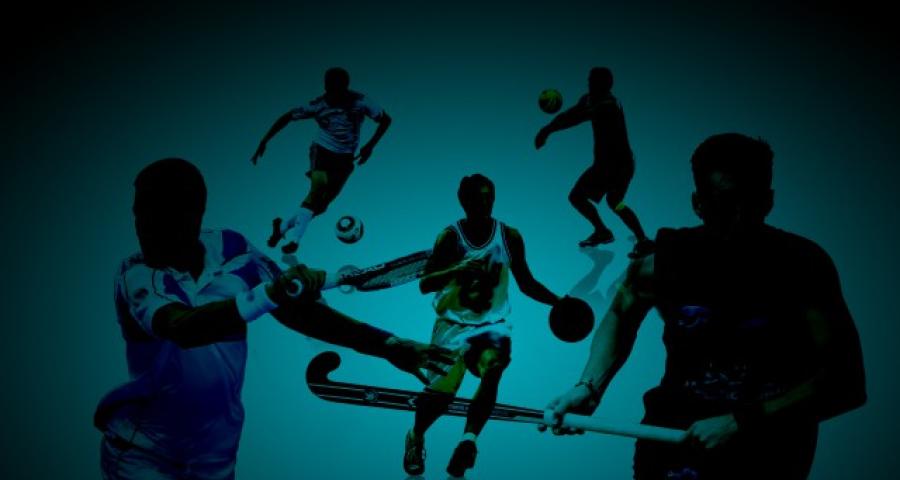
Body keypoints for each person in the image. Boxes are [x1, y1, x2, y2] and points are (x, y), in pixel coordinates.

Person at [95, 158, 451, 480]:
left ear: (194, 213)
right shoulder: (136, 274)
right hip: (144, 452)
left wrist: (387, 344)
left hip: (215, 456)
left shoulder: (233, 250)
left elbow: (301, 313)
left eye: (157, 213)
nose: (142, 225)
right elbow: (183, 328)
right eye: (138, 211)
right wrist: (269, 293)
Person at [544, 134, 867, 479]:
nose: (738, 219)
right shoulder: (663, 262)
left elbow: (845, 383)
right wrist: (589, 388)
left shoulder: (802, 266)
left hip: (768, 455)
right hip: (671, 448)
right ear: (698, 203)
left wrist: (741, 421)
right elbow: (621, 314)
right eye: (724, 204)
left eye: (750, 203)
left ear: (769, 201)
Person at [402, 174, 562, 477]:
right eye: (478, 198)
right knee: (444, 392)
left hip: (491, 325)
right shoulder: (450, 237)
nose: (485, 204)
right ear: (464, 202)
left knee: (494, 367)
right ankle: (416, 436)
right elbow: (425, 284)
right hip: (452, 325)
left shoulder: (509, 236)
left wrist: (558, 302)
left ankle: (468, 441)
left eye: (489, 197)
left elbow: (526, 282)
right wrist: (456, 269)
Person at [251, 67, 392, 253]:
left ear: (346, 88)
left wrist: (370, 146)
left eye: (340, 91)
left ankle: (282, 227)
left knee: (321, 205)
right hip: (322, 151)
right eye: (332, 90)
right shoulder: (317, 105)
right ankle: (294, 241)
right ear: (326, 88)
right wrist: (264, 140)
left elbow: (386, 120)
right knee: (317, 188)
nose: (336, 96)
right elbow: (287, 117)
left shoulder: (360, 101)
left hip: (345, 158)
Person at [535, 67, 654, 258]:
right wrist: (547, 130)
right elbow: (571, 114)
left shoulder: (608, 104)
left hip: (616, 164)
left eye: (594, 81)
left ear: (606, 85)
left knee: (590, 198)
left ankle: (622, 235)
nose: (589, 83)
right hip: (611, 164)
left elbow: (576, 117)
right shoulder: (590, 100)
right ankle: (632, 237)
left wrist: (547, 130)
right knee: (611, 202)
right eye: (589, 80)